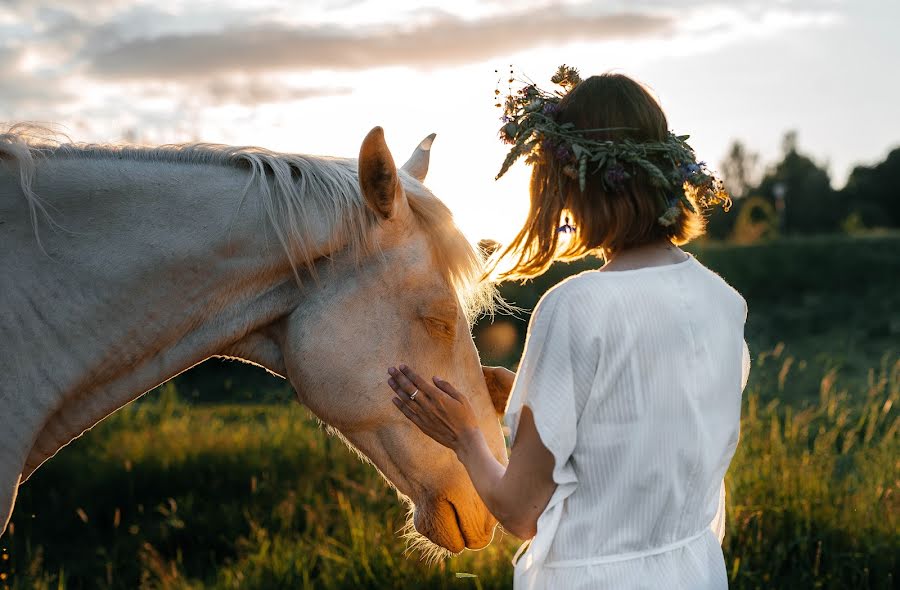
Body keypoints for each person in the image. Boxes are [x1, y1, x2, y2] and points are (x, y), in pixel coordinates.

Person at [387, 67, 750, 589]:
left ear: (568, 179)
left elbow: (519, 513)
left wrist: (464, 435)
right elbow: (654, 428)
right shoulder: (723, 301)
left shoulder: (576, 306)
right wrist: (535, 400)